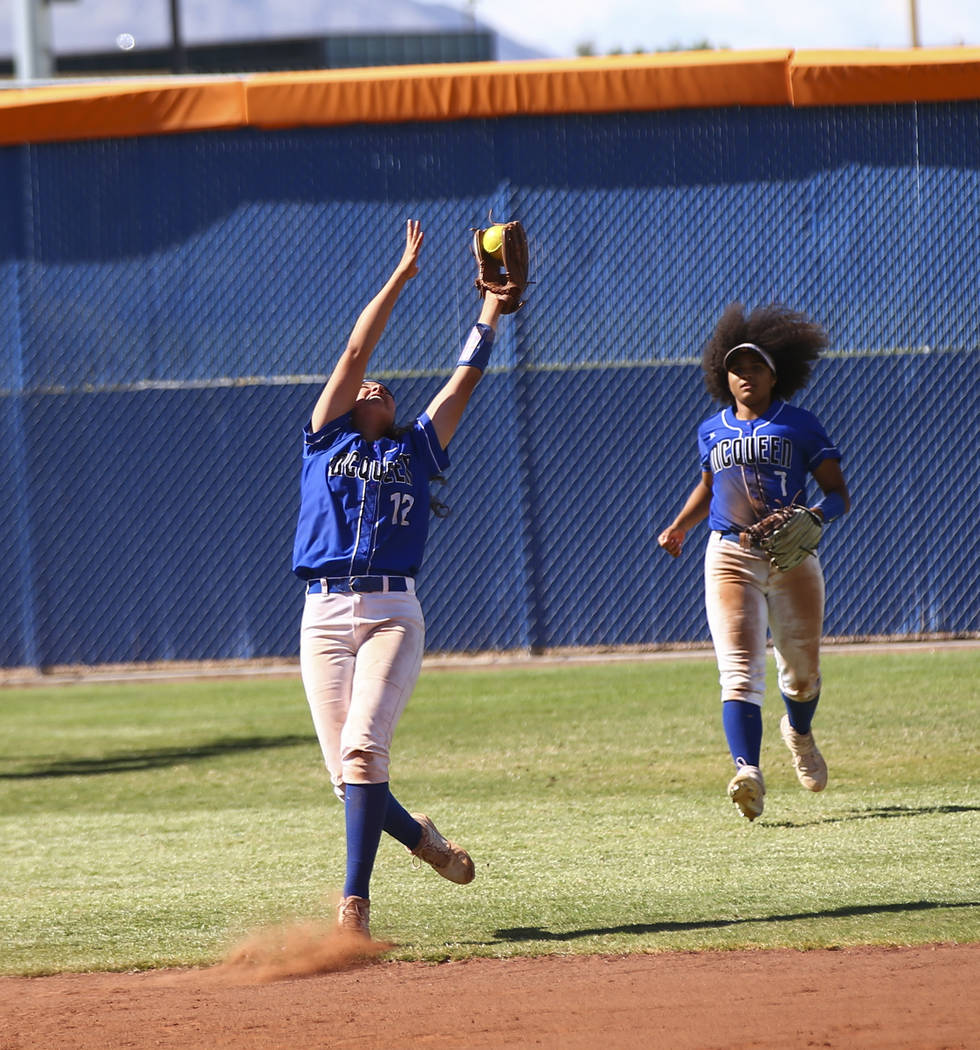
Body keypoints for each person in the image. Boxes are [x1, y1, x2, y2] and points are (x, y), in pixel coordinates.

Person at [292, 219, 511, 937]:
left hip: (390, 611)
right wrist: (403, 276)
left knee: (363, 753)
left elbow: (464, 378)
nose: (374, 385)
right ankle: (424, 840)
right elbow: (358, 348)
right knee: (347, 779)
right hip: (322, 615)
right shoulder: (325, 436)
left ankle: (352, 908)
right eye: (365, 388)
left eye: (383, 388)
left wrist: (491, 307)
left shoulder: (417, 446)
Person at [657, 303, 850, 822]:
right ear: (725, 374)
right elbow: (708, 487)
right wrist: (680, 526)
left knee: (802, 675)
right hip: (730, 556)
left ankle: (800, 732)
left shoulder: (800, 425)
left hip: (792, 555)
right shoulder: (711, 429)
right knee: (739, 674)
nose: (745, 375)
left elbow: (838, 494)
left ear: (773, 374)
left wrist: (814, 515)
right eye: (737, 367)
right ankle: (748, 772)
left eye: (755, 367)